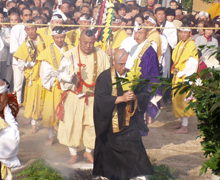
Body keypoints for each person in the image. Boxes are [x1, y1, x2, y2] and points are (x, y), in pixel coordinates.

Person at [93, 49, 154, 180]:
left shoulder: (133, 76)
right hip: (110, 125)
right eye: (121, 64)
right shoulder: (104, 77)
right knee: (110, 157)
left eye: (126, 63)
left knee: (134, 150)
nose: (124, 67)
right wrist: (120, 98)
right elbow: (100, 99)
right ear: (113, 62)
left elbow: (145, 95)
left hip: (129, 124)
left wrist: (134, 97)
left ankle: (135, 177)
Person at [57, 30, 110, 164]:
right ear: (79, 41)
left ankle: (88, 151)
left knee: (92, 125)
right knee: (72, 124)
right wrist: (70, 79)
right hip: (75, 96)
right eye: (85, 42)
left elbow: (108, 76)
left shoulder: (101, 55)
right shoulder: (69, 55)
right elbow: (60, 75)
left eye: (91, 43)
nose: (88, 46)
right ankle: (73, 154)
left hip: (93, 97)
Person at [13, 20, 52, 133]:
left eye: (33, 28)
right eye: (28, 29)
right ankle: (34, 124)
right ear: (25, 30)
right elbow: (20, 63)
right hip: (34, 75)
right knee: (34, 100)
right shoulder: (25, 45)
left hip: (46, 73)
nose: (31, 31)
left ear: (36, 28)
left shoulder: (45, 39)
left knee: (48, 98)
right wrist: (31, 64)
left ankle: (50, 122)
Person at [38, 27, 73, 145]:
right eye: (57, 37)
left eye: (62, 37)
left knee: (68, 113)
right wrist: (56, 77)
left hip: (68, 87)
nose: (59, 40)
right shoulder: (47, 52)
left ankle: (67, 136)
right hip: (53, 86)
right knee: (50, 112)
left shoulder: (72, 49)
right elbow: (44, 71)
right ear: (52, 38)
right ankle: (51, 136)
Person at [171, 24, 199, 134]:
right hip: (178, 75)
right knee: (177, 98)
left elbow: (193, 63)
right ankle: (181, 121)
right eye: (181, 32)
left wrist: (183, 73)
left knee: (185, 100)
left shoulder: (191, 45)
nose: (183, 34)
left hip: (186, 76)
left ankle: (185, 126)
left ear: (190, 33)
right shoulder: (181, 44)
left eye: (185, 32)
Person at [10, 7, 32, 106]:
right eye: (25, 15)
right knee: (18, 85)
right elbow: (14, 47)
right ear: (21, 17)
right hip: (18, 60)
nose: (28, 17)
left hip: (32, 61)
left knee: (31, 84)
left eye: (29, 15)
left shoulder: (36, 27)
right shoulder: (16, 28)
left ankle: (29, 103)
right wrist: (22, 59)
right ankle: (17, 103)